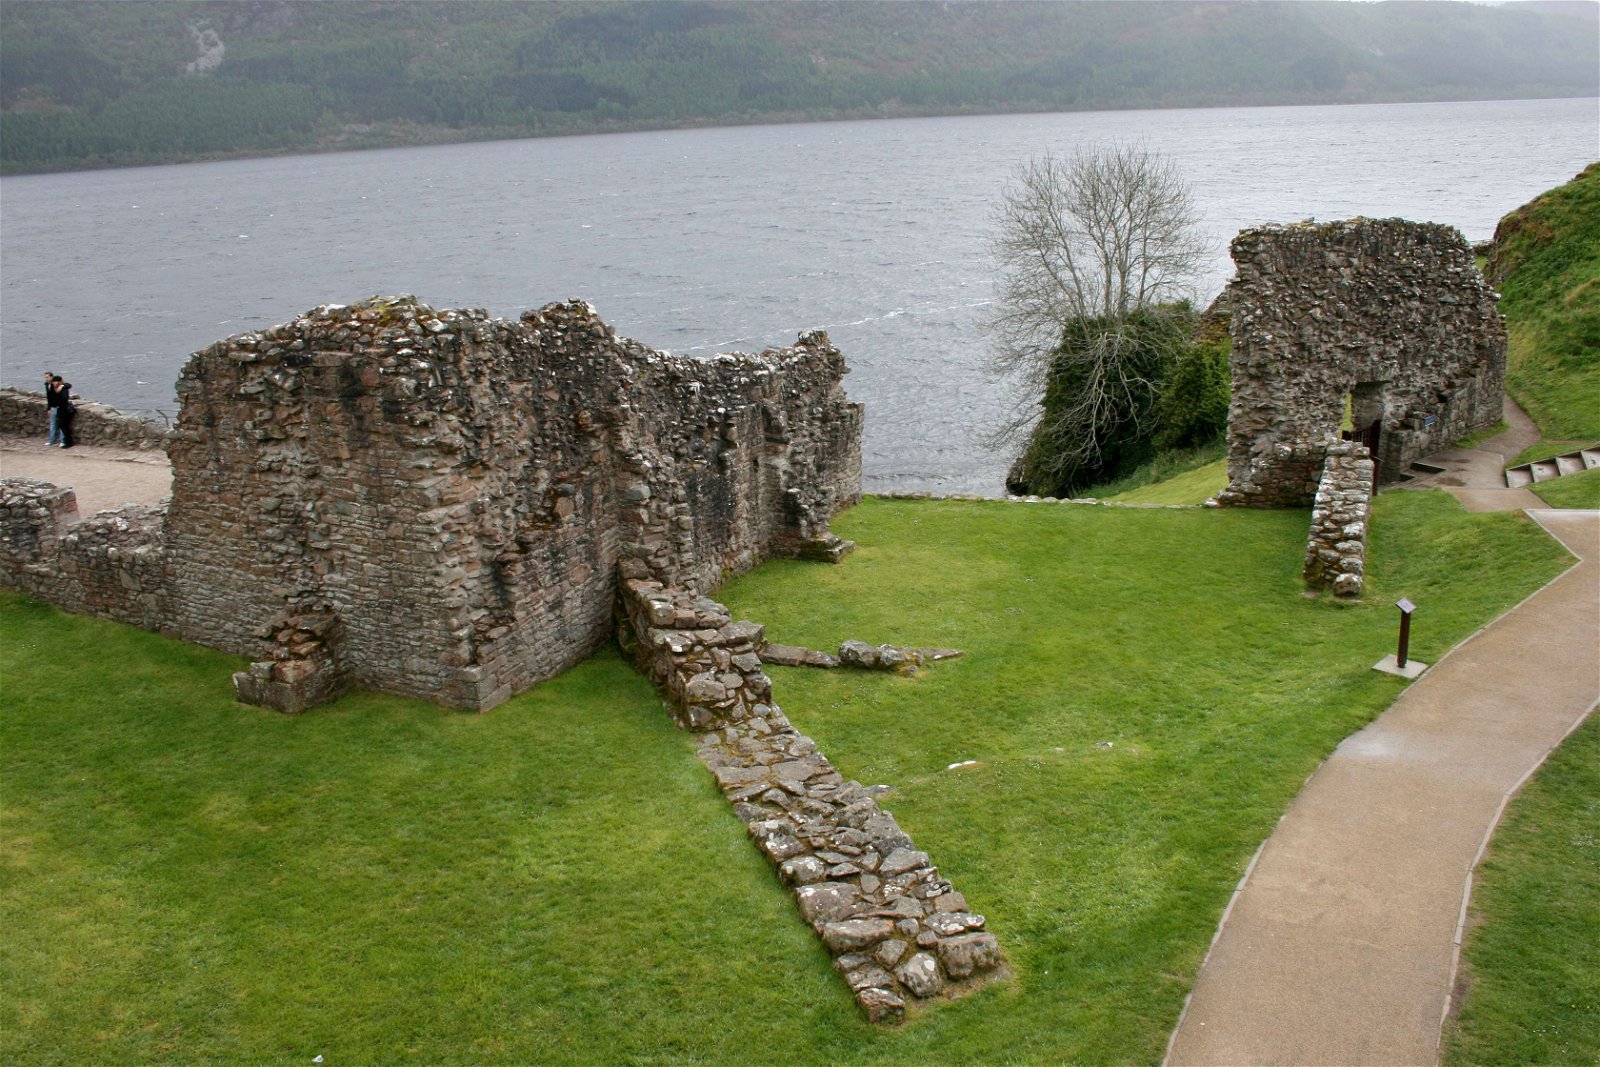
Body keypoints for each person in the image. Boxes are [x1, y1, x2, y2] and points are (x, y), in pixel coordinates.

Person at [50, 375, 75, 448]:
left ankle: (68, 442)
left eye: (55, 381)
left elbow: (64, 398)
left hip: (64, 410)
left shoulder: (63, 388)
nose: (54, 383)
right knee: (63, 426)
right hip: (61, 409)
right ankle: (68, 442)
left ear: (58, 382)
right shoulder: (59, 387)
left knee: (64, 426)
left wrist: (59, 403)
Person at [44, 372, 63, 445]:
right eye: (45, 377)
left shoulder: (57, 384)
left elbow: (67, 385)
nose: (46, 379)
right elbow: (48, 398)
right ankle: (51, 440)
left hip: (59, 407)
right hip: (52, 407)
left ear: (52, 377)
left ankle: (62, 441)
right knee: (53, 424)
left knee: (61, 424)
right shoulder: (46, 385)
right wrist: (48, 408)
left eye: (47, 377)